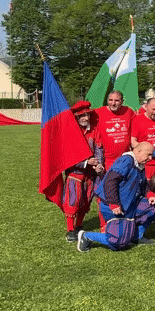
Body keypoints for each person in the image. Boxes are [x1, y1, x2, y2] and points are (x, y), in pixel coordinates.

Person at [76, 143, 155, 252]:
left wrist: (150, 195)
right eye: (148, 155)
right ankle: (87, 236)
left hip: (129, 205)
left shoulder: (139, 163)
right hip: (113, 207)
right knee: (118, 242)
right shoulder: (126, 161)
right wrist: (114, 203)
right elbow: (110, 181)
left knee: (154, 206)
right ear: (138, 152)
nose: (150, 158)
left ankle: (136, 236)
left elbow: (143, 183)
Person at [62, 101, 104, 242]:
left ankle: (79, 225)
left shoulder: (94, 130)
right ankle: (70, 230)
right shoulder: (70, 132)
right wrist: (86, 163)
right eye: (82, 115)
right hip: (75, 173)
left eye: (87, 115)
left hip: (90, 175)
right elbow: (67, 156)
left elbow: (98, 148)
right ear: (76, 117)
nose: (85, 118)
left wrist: (99, 164)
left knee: (86, 201)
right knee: (73, 200)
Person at [131, 97, 155, 178]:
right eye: (153, 109)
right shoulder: (138, 120)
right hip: (147, 164)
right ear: (146, 107)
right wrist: (149, 151)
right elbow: (133, 142)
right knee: (148, 189)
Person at [95, 90, 135, 171]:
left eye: (116, 100)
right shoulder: (98, 112)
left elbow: (139, 122)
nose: (113, 103)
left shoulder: (128, 111)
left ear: (122, 101)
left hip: (125, 158)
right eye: (110, 100)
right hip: (107, 160)